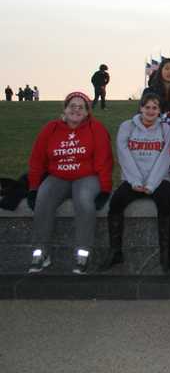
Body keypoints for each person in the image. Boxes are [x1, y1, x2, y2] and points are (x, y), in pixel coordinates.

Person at [26, 92, 114, 274]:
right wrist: (33, 187)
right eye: (72, 106)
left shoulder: (95, 128)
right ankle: (41, 251)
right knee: (44, 197)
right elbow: (37, 160)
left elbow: (104, 160)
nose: (76, 110)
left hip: (86, 176)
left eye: (81, 107)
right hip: (58, 176)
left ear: (87, 112)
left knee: (83, 199)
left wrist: (105, 188)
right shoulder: (51, 129)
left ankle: (82, 253)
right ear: (65, 110)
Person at [100, 92, 170, 274]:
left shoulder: (166, 130)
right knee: (116, 202)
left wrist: (151, 184)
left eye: (154, 108)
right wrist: (135, 181)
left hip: (158, 179)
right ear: (141, 108)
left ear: (159, 111)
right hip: (133, 178)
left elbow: (165, 159)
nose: (150, 111)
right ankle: (115, 251)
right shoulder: (127, 126)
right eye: (147, 107)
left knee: (165, 204)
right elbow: (124, 155)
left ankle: (165, 256)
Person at [142, 57, 170, 134]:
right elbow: (142, 114)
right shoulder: (149, 92)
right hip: (151, 134)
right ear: (160, 71)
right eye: (167, 69)